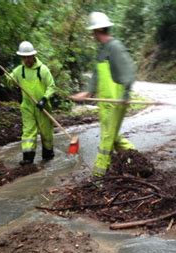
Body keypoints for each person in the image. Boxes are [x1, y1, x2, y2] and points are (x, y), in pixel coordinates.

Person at [71, 11, 136, 177]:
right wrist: (87, 91)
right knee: (114, 137)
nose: (92, 34)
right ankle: (137, 160)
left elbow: (129, 71)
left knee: (106, 137)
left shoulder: (115, 47)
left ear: (98, 30)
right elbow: (97, 73)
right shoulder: (102, 50)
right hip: (105, 102)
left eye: (93, 31)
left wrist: (125, 95)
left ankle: (99, 174)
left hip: (116, 102)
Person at [9, 41, 56, 165]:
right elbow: (9, 79)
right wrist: (7, 78)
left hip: (42, 106)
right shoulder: (19, 71)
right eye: (24, 57)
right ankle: (28, 158)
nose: (26, 60)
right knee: (28, 132)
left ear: (33, 56)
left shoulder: (43, 70)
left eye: (28, 57)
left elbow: (52, 87)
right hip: (27, 107)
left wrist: (44, 99)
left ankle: (48, 155)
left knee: (46, 133)